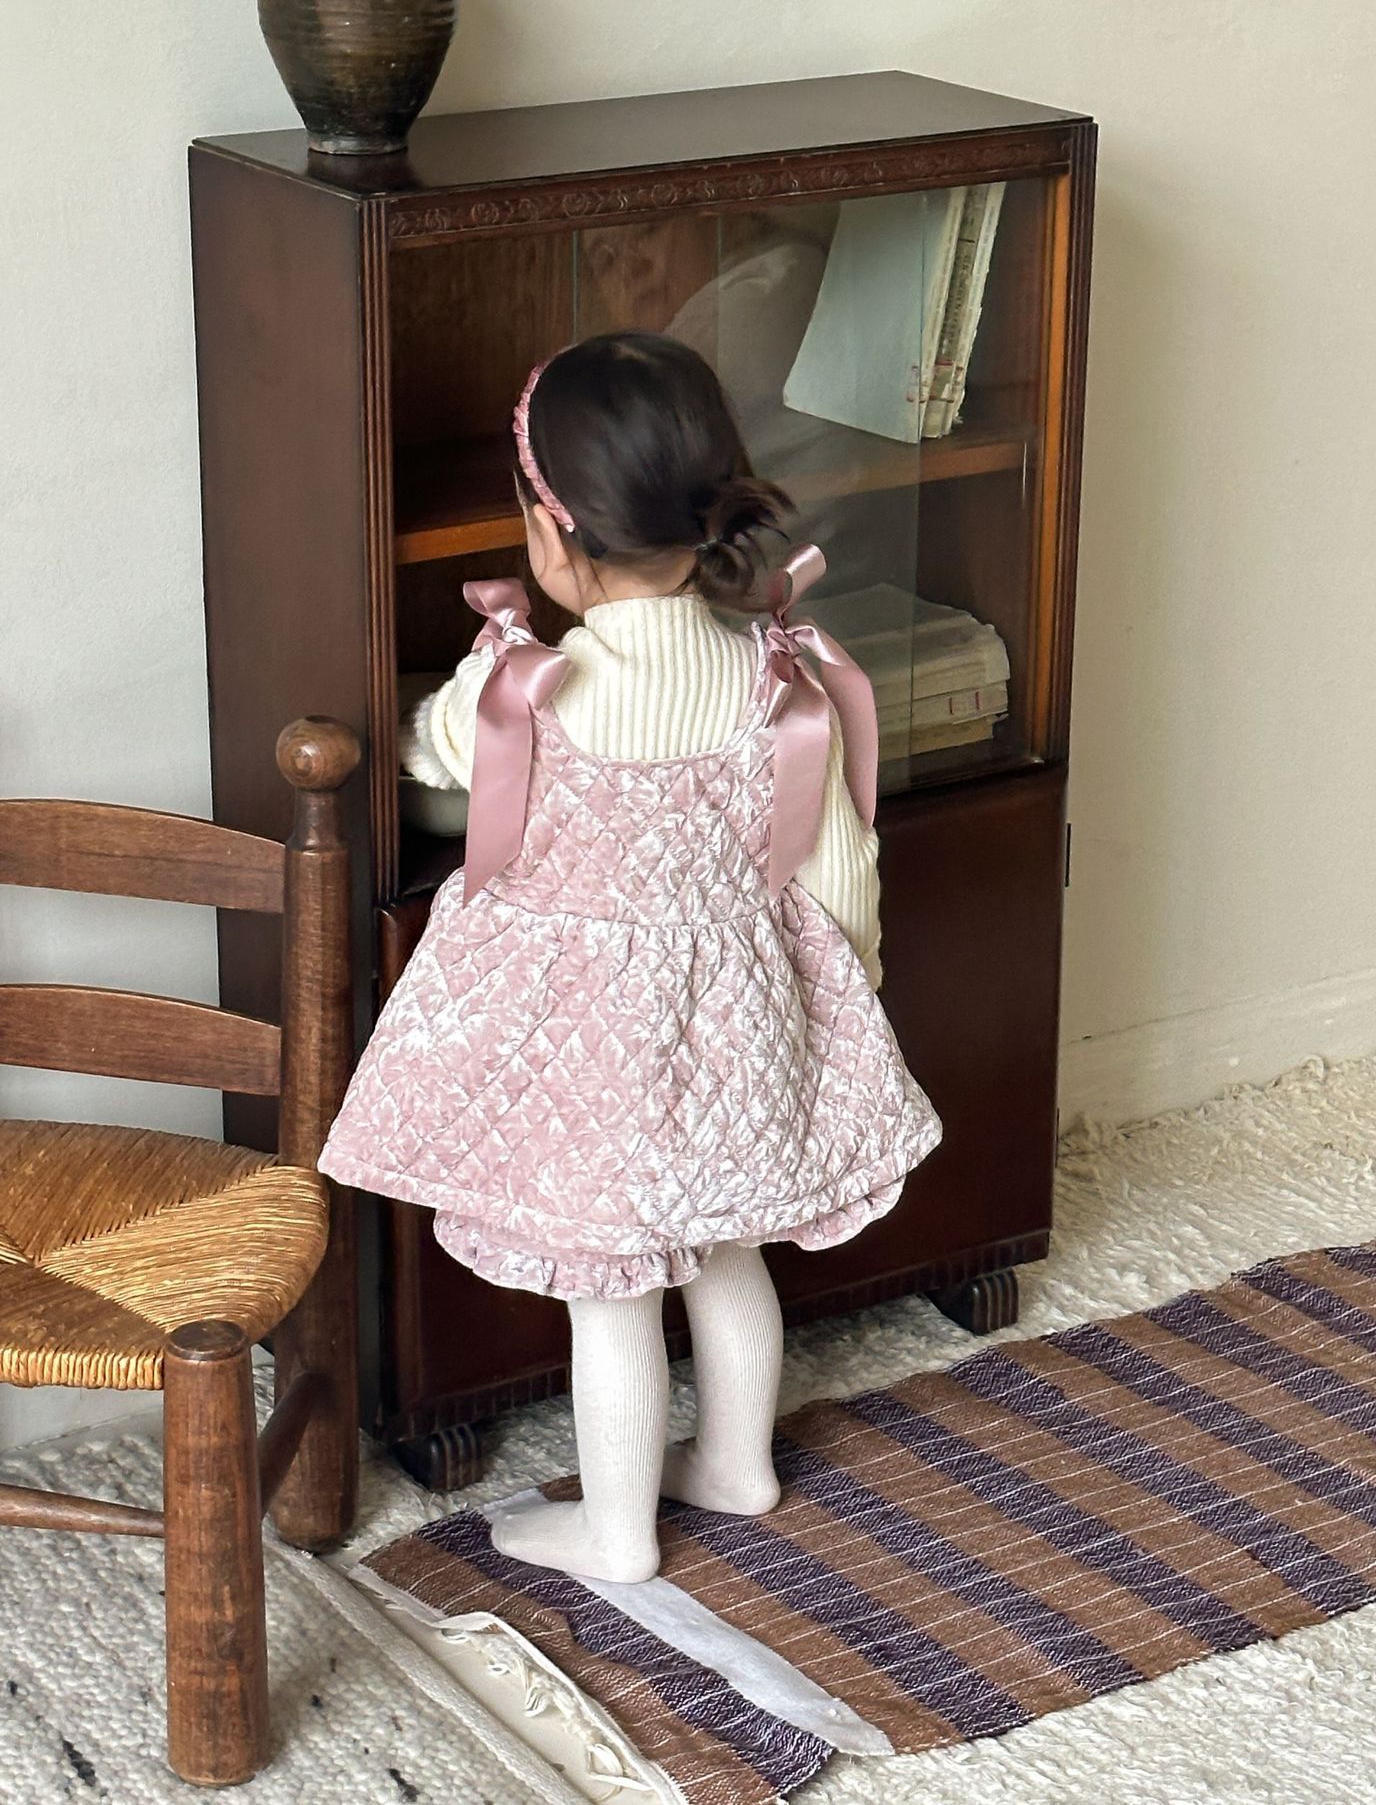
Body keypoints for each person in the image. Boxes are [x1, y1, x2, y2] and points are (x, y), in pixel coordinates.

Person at [320, 332, 941, 1582]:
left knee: (610, 1290)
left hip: (589, 1048)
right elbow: (839, 857)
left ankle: (616, 1535)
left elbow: (431, 753)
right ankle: (738, 1464)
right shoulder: (778, 674)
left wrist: (455, 687)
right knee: (729, 1247)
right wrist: (849, 991)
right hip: (737, 1016)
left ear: (550, 533)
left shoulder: (527, 689)